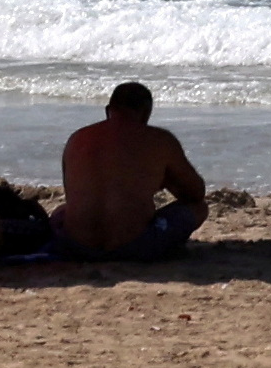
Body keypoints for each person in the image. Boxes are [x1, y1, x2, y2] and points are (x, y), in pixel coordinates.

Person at [55, 81, 210, 260]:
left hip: (77, 246)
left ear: (108, 110)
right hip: (133, 246)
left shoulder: (77, 138)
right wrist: (162, 179)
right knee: (198, 209)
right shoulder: (160, 140)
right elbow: (196, 193)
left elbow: (72, 193)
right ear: (146, 113)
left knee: (61, 211)